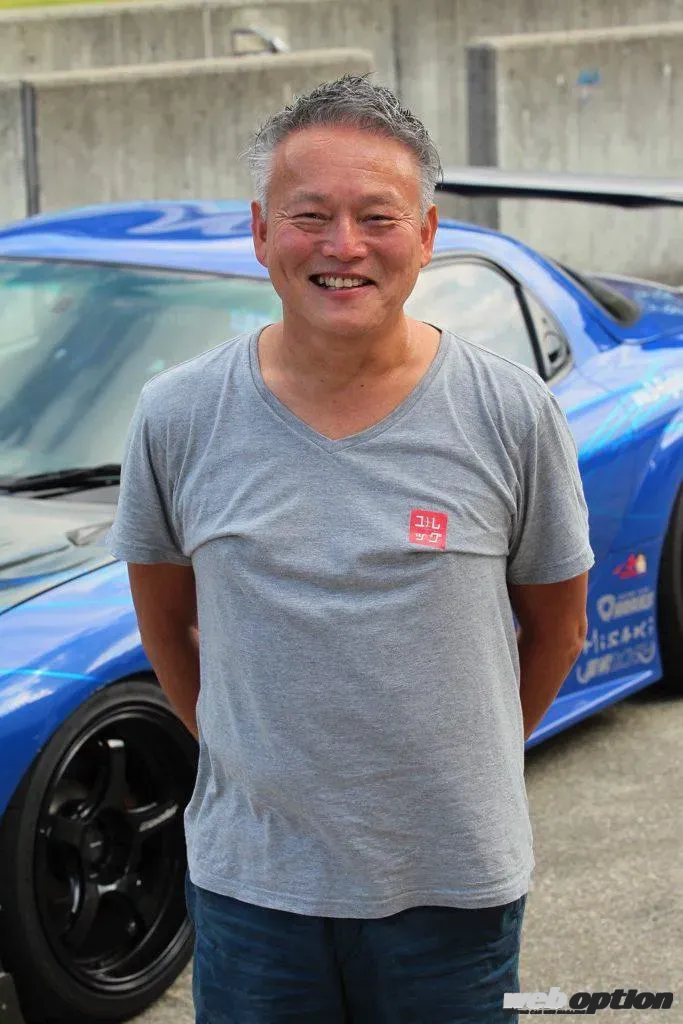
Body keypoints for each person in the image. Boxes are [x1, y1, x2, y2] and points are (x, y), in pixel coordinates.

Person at [105, 74, 593, 1023]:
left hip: (452, 887)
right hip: (253, 891)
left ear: (425, 233)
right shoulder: (178, 415)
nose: (342, 247)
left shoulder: (510, 414)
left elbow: (557, 630)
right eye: (308, 216)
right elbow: (167, 626)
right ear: (260, 232)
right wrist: (254, 763)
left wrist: (465, 772)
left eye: (376, 217)